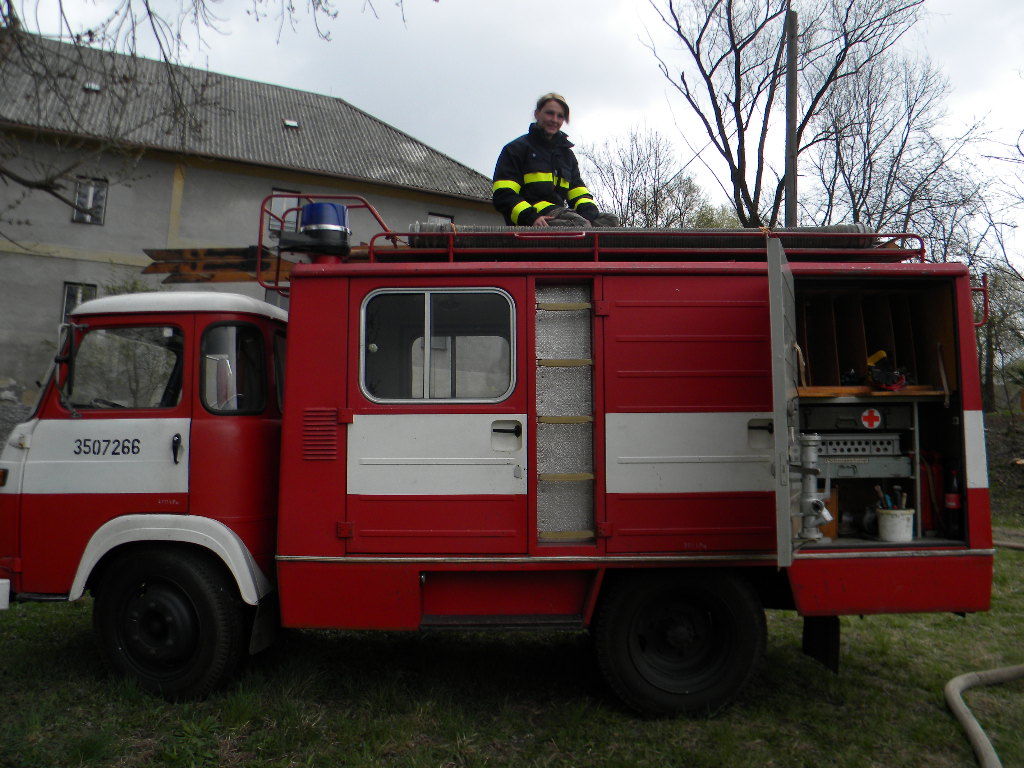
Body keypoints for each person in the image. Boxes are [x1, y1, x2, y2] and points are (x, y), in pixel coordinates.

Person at [492, 93, 620, 228]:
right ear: (537, 114)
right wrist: (531, 217)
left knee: (611, 220)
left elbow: (577, 189)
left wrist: (589, 214)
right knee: (579, 224)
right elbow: (503, 195)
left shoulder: (566, 155)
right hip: (530, 218)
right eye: (550, 113)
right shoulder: (516, 149)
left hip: (563, 215)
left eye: (560, 116)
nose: (554, 119)